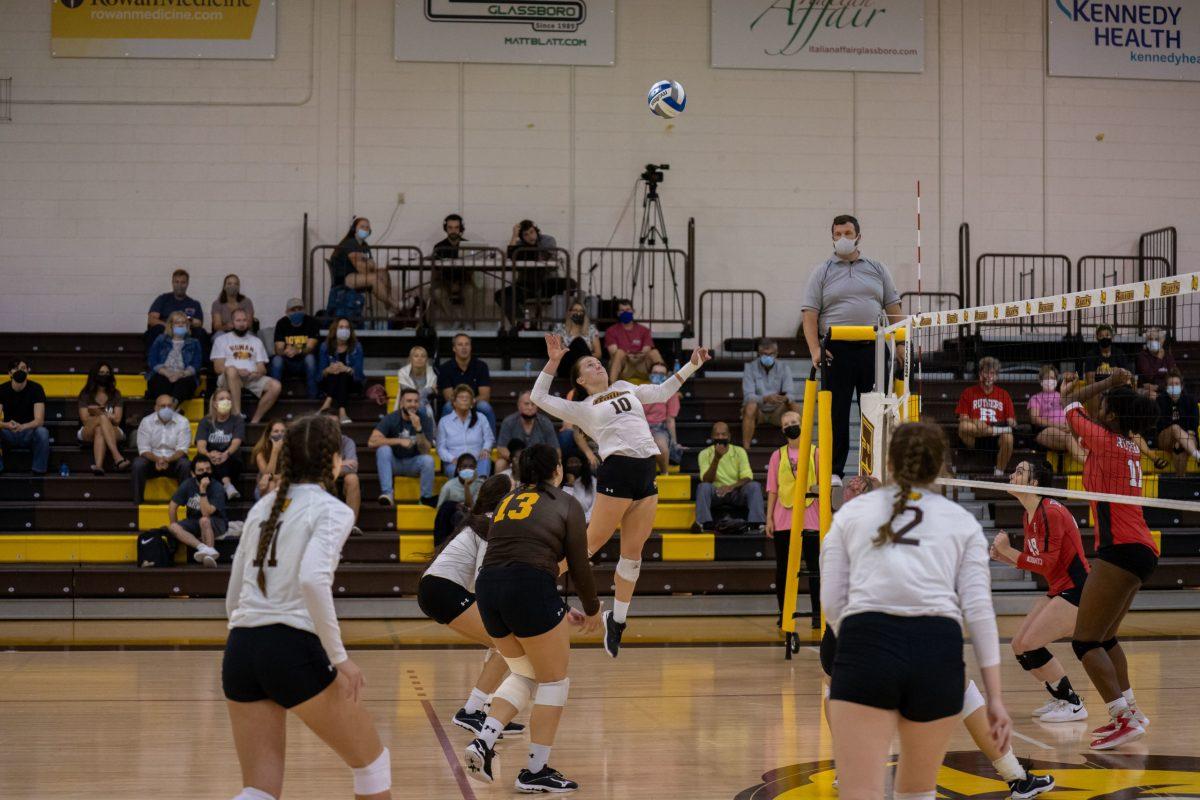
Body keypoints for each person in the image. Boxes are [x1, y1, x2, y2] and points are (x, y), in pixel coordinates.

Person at [819, 475, 1053, 800]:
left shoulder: (842, 529)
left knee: (833, 688)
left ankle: (848, 769)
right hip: (906, 633)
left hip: (852, 633)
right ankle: (1016, 777)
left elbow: (831, 597)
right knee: (962, 696)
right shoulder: (926, 525)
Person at [223, 413, 393, 800]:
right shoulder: (333, 510)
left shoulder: (261, 508)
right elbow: (313, 580)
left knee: (259, 790)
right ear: (333, 458)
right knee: (372, 765)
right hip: (290, 649)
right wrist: (340, 657)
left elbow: (233, 596)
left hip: (240, 649)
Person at [532, 334, 710, 657]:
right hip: (617, 470)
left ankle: (617, 621)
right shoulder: (582, 408)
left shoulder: (626, 386)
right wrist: (554, 360)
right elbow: (538, 396)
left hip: (646, 471)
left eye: (596, 360)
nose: (596, 363)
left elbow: (661, 391)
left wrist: (691, 366)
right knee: (590, 544)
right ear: (581, 380)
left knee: (633, 556)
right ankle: (531, 579)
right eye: (589, 364)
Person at [463, 444, 600, 793]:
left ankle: (484, 740)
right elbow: (580, 566)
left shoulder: (509, 500)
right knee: (554, 681)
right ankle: (535, 770)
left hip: (489, 589)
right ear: (557, 469)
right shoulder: (566, 502)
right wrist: (594, 609)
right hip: (527, 584)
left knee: (525, 671)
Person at [1060, 368, 1159, 749]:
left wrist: (1110, 383)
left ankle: (1122, 717)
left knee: (1085, 642)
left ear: (1113, 415)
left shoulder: (1106, 441)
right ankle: (1131, 711)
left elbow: (1069, 406)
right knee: (1106, 637)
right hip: (1140, 548)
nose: (1098, 407)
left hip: (1120, 548)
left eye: (1104, 404)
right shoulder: (1127, 445)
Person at [417, 474, 528, 738]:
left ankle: (489, 711)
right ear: (504, 498)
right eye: (514, 491)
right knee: (509, 644)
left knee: (500, 643)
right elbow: (484, 578)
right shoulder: (491, 524)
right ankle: (471, 711)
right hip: (442, 590)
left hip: (438, 589)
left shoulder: (486, 523)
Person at [801, 214, 903, 480]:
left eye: (848, 233)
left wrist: (902, 346)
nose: (843, 239)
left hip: (873, 349)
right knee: (837, 413)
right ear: (832, 237)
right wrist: (815, 350)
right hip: (836, 350)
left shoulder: (878, 269)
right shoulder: (821, 271)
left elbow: (894, 310)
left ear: (859, 236)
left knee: (876, 412)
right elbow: (809, 314)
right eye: (837, 234)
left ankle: (876, 471)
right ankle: (834, 472)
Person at [990, 459, 1090, 724]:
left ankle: (1073, 703)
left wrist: (1010, 550)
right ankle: (1060, 696)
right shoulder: (1029, 514)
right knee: (1019, 646)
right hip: (1058, 588)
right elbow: (1037, 562)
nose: (1012, 475)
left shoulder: (1051, 512)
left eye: (1020, 472)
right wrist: (1005, 558)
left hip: (1077, 590)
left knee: (1032, 643)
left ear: (1034, 484)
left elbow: (1046, 563)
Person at [765, 409, 816, 623]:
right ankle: (784, 613)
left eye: (795, 421)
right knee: (784, 568)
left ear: (803, 424)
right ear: (782, 429)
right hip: (783, 516)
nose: (791, 425)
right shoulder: (777, 455)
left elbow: (824, 484)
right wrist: (769, 518)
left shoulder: (816, 452)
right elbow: (773, 489)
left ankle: (817, 614)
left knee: (815, 568)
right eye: (787, 423)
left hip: (811, 514)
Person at [369, 388, 437, 508]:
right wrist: (399, 441)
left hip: (413, 463)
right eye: (409, 401)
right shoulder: (391, 418)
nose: (413, 404)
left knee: (429, 460)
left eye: (416, 401)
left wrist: (419, 429)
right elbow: (372, 442)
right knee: (383, 450)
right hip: (394, 463)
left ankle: (425, 498)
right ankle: (388, 494)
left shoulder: (424, 419)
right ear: (401, 403)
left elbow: (425, 451)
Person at [212, 309, 281, 424]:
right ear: (232, 323)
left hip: (251, 378)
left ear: (248, 322)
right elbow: (218, 368)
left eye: (244, 320)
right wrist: (238, 371)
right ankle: (237, 414)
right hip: (229, 378)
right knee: (231, 369)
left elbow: (262, 367)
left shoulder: (256, 341)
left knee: (276, 386)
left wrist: (257, 373)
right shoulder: (221, 340)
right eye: (238, 320)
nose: (242, 323)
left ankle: (255, 420)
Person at [695, 422, 765, 533]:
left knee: (754, 486)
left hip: (736, 492)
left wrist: (731, 487)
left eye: (723, 434)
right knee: (703, 487)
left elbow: (747, 477)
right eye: (717, 434)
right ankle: (704, 524)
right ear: (712, 436)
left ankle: (756, 524)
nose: (720, 437)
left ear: (729, 436)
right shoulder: (704, 453)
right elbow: (706, 480)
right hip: (715, 493)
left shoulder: (739, 451)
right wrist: (716, 458)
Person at [956, 356, 1016, 477]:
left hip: (996, 439)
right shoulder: (968, 392)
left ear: (997, 376)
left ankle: (998, 473)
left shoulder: (1004, 394)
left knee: (1009, 438)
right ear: (980, 374)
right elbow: (963, 418)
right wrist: (976, 421)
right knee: (963, 426)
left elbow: (1012, 422)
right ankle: (992, 430)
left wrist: (1009, 422)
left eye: (992, 373)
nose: (989, 376)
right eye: (986, 372)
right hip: (975, 437)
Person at [328, 216, 400, 314]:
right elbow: (362, 268)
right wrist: (367, 262)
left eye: (367, 227)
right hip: (344, 278)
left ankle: (389, 306)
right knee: (373, 278)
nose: (365, 229)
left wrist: (364, 259)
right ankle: (395, 304)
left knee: (383, 272)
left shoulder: (364, 245)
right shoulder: (350, 243)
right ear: (354, 229)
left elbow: (372, 265)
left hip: (357, 276)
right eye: (362, 227)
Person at [131, 394, 192, 503]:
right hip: (152, 462)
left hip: (173, 461)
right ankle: (137, 502)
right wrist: (158, 459)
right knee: (138, 464)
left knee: (185, 464)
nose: (166, 409)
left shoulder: (183, 421)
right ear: (156, 408)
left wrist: (167, 459)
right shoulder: (146, 421)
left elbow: (182, 450)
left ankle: (185, 502)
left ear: (173, 407)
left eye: (169, 406)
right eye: (163, 406)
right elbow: (144, 450)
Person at [166, 454, 225, 568]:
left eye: (208, 469)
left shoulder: (217, 487)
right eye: (201, 470)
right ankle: (204, 548)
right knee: (172, 527)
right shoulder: (188, 484)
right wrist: (177, 533)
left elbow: (206, 513)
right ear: (193, 473)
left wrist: (202, 490)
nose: (205, 473)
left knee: (204, 520)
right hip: (194, 521)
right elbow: (172, 506)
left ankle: (209, 558)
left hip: (216, 522)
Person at [741, 338, 800, 449]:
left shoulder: (784, 367)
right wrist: (765, 398)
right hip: (758, 412)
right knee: (750, 406)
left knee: (795, 406)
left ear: (776, 354)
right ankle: (746, 448)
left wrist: (784, 398)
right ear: (759, 354)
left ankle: (798, 446)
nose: (767, 357)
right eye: (764, 354)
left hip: (778, 411)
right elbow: (748, 396)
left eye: (771, 354)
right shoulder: (750, 368)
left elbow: (791, 394)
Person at [1028, 364, 1088, 464]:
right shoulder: (1036, 398)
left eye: (1052, 378)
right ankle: (1089, 464)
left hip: (1066, 429)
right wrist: (1057, 426)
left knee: (1082, 438)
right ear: (1041, 381)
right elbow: (1035, 419)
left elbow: (1071, 413)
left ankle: (1093, 464)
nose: (1049, 380)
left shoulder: (1062, 396)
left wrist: (1070, 426)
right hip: (1044, 430)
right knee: (1069, 438)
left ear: (1056, 380)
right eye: (1046, 378)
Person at [77, 362, 129, 475]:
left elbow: (117, 420)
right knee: (101, 418)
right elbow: (85, 420)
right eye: (101, 373)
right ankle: (118, 458)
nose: (104, 375)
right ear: (95, 375)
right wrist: (105, 415)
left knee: (100, 429)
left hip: (113, 429)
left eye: (107, 373)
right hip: (88, 430)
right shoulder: (85, 394)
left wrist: (99, 413)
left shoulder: (116, 394)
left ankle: (99, 466)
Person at [436, 334, 496, 431]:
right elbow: (449, 397)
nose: (464, 348)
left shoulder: (481, 366)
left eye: (467, 344)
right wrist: (463, 403)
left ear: (471, 347)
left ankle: (491, 443)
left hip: (475, 402)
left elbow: (485, 396)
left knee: (485, 407)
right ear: (454, 348)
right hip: (455, 403)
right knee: (447, 407)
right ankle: (444, 440)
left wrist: (470, 402)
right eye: (460, 345)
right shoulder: (445, 368)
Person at [0, 359, 50, 476]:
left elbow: (39, 420)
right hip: (9, 432)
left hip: (28, 431)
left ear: (28, 371)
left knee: (43, 432)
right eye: (16, 368)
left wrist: (22, 427)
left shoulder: (36, 388)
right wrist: (6, 425)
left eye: (23, 368)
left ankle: (39, 470)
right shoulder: (2, 389)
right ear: (9, 373)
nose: (20, 371)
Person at [196, 388, 246, 500]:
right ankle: (227, 486)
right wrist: (209, 455)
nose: (226, 401)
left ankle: (224, 487)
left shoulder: (237, 420)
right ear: (214, 403)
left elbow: (236, 442)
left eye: (228, 399)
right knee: (205, 459)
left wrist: (226, 454)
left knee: (227, 457)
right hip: (210, 460)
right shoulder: (206, 421)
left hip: (231, 460)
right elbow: (201, 445)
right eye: (222, 399)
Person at [437, 385, 495, 479]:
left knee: (486, 460)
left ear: (472, 402)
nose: (464, 399)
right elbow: (440, 448)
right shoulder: (444, 422)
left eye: (467, 397)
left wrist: (485, 449)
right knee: (453, 470)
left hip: (477, 461)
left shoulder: (481, 418)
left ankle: (480, 489)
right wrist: (452, 459)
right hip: (455, 463)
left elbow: (489, 438)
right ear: (454, 402)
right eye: (461, 397)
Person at [144, 268, 207, 353]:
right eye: (176, 282)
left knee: (201, 332)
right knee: (156, 329)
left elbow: (198, 322)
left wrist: (185, 321)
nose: (179, 285)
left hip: (185, 331)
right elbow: (151, 320)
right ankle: (151, 363)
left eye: (183, 282)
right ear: (172, 283)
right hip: (165, 330)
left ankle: (201, 365)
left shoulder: (194, 303)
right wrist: (169, 326)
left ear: (187, 284)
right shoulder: (162, 299)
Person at [495, 391, 559, 474]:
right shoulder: (509, 422)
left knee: (557, 462)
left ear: (537, 407)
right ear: (519, 405)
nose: (530, 407)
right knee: (500, 463)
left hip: (539, 462)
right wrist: (518, 460)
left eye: (533, 404)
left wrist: (539, 460)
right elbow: (501, 448)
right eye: (526, 404)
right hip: (515, 461)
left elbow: (556, 450)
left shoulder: (545, 423)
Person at [146, 311, 202, 404]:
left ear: (187, 326)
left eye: (183, 322)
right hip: (163, 374)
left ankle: (171, 408)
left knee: (184, 383)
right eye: (177, 322)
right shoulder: (161, 339)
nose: (180, 325)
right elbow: (152, 360)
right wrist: (167, 373)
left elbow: (196, 364)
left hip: (183, 375)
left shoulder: (194, 342)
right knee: (161, 381)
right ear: (171, 325)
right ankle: (165, 406)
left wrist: (181, 374)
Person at [318, 317, 365, 424]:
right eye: (341, 327)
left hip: (352, 384)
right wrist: (328, 370)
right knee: (336, 372)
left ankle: (327, 403)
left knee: (342, 373)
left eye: (347, 327)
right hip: (330, 383)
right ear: (335, 330)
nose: (345, 330)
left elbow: (359, 375)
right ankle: (342, 412)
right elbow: (319, 375)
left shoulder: (357, 346)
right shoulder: (325, 346)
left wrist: (347, 369)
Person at [270, 298, 320, 400]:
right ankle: (273, 396)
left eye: (300, 309)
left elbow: (311, 347)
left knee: (310, 359)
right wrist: (285, 351)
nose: (297, 312)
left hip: (304, 361)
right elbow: (278, 349)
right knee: (276, 360)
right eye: (293, 310)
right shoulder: (281, 323)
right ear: (287, 312)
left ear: (304, 310)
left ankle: (313, 398)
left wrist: (298, 350)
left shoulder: (312, 322)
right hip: (287, 361)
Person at [603, 300, 664, 384]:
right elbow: (613, 352)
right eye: (622, 310)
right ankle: (610, 387)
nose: (625, 312)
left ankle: (666, 386)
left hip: (641, 365)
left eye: (628, 310)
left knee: (654, 352)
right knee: (619, 353)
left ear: (633, 311)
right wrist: (630, 355)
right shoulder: (611, 331)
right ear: (617, 313)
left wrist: (635, 356)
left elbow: (647, 349)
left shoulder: (644, 330)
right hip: (625, 368)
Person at [1154, 369, 1200, 476]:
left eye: (1176, 384)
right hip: (1165, 438)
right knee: (1175, 428)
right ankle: (1198, 456)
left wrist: (1180, 439)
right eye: (1171, 384)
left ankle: (1180, 480)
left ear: (1182, 386)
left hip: (1188, 439)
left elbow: (1194, 425)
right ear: (1166, 387)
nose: (1174, 386)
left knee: (1179, 447)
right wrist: (1179, 432)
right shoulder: (1160, 401)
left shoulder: (1190, 400)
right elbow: (1161, 425)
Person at [643, 363, 683, 475]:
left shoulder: (671, 392)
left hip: (659, 427)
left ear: (666, 376)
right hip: (640, 426)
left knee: (661, 447)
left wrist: (674, 442)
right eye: (655, 373)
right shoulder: (641, 390)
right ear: (650, 375)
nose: (658, 376)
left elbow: (670, 420)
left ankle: (664, 473)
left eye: (661, 374)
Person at [550, 300, 602, 382]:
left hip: (586, 367)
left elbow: (598, 353)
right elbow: (557, 350)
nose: (578, 313)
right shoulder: (559, 328)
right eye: (575, 310)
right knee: (578, 342)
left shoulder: (591, 329)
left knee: (579, 342)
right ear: (569, 312)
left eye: (581, 311)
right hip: (567, 366)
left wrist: (583, 357)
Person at [434, 454, 479, 546]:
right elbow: (441, 510)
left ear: (475, 469)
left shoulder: (480, 485)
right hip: (451, 523)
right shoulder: (448, 486)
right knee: (455, 512)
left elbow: (474, 508)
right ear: (458, 469)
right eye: (464, 467)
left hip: (474, 519)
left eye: (471, 467)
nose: (467, 469)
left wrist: (466, 486)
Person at [394, 345, 438, 427]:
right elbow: (408, 394)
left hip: (426, 404)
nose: (419, 358)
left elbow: (432, 393)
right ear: (410, 359)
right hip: (406, 404)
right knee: (418, 404)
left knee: (421, 406)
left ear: (426, 359)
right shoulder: (402, 372)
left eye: (423, 356)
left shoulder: (433, 372)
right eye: (416, 356)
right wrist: (428, 390)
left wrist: (426, 392)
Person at [336, 432, 364, 536]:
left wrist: (331, 467)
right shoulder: (315, 441)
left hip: (340, 481)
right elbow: (314, 469)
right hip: (323, 482)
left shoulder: (347, 441)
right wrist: (341, 463)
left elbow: (352, 467)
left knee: (352, 478)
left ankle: (350, 525)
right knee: (319, 480)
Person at [252, 420, 286, 500]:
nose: (280, 434)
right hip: (264, 488)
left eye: (283, 431)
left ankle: (278, 511)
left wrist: (274, 477)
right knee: (271, 485)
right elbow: (267, 475)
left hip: (283, 485)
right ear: (269, 435)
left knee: (280, 483)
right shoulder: (261, 452)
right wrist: (275, 451)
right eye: (276, 431)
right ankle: (271, 511)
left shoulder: (291, 450)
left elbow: (290, 475)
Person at [1135, 327, 1175, 393]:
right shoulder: (1143, 356)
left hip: (1164, 388)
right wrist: (1158, 359)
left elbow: (1173, 376)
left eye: (1157, 339)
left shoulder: (1168, 357)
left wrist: (1159, 387)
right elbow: (1149, 376)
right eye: (1150, 339)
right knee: (1152, 395)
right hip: (1146, 390)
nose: (1153, 341)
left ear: (1163, 341)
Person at [560, 453, 596, 522]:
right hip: (568, 522)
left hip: (589, 521)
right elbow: (564, 506)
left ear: (582, 464)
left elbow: (595, 506)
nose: (573, 465)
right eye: (570, 462)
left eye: (576, 462)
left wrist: (583, 521)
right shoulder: (560, 482)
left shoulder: (592, 481)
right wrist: (569, 485)